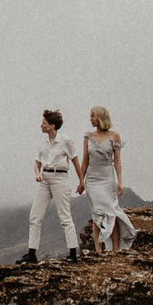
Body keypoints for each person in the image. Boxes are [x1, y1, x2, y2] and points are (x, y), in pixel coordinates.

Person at [25, 109, 82, 263]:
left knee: (65, 215)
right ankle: (31, 253)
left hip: (60, 178)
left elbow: (76, 162)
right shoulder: (43, 143)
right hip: (45, 178)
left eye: (43, 123)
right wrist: (38, 173)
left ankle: (73, 253)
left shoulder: (66, 141)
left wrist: (81, 181)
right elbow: (36, 163)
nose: (41, 126)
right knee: (35, 216)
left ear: (52, 125)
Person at [81, 106, 134, 254]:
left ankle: (115, 249)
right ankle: (98, 250)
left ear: (100, 117)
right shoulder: (87, 137)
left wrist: (120, 182)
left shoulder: (114, 136)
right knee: (97, 213)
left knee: (111, 212)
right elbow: (84, 161)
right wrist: (81, 181)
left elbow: (117, 161)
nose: (90, 119)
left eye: (92, 116)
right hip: (92, 178)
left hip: (107, 177)